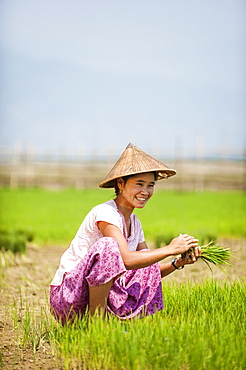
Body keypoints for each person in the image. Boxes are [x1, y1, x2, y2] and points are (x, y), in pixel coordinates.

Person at [50, 143, 201, 324]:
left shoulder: (135, 224)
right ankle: (97, 325)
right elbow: (127, 259)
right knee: (109, 246)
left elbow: (148, 270)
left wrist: (178, 263)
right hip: (69, 297)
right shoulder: (105, 213)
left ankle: (112, 323)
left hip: (94, 300)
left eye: (150, 185)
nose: (145, 192)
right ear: (120, 184)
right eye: (139, 184)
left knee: (146, 257)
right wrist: (170, 248)